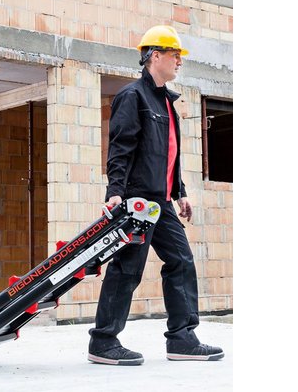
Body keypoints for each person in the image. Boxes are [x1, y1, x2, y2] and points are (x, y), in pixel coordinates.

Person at [87, 25, 224, 365]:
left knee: (181, 261)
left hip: (161, 202)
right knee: (127, 268)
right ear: (155, 56)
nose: (180, 61)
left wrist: (180, 192)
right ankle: (103, 342)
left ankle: (182, 339)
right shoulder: (132, 97)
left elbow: (168, 153)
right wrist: (115, 192)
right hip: (138, 201)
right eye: (175, 54)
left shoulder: (166, 101)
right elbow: (121, 147)